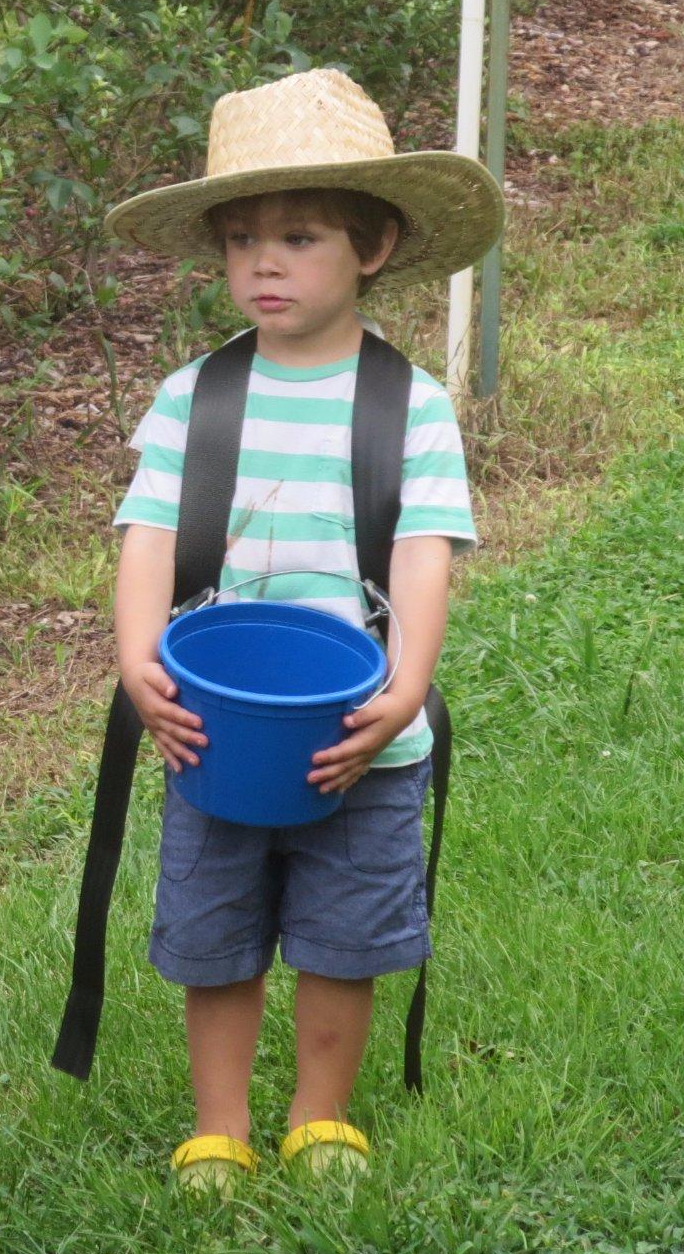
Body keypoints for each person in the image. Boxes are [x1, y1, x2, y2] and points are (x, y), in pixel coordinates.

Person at [101, 67, 504, 1190]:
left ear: (373, 246)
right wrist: (135, 658)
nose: (262, 265)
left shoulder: (408, 404)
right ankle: (219, 1125)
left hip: (358, 731)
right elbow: (147, 534)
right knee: (216, 932)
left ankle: (318, 1117)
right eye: (241, 241)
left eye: (297, 237)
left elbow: (422, 552)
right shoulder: (195, 396)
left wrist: (404, 687)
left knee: (345, 936)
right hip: (217, 725)